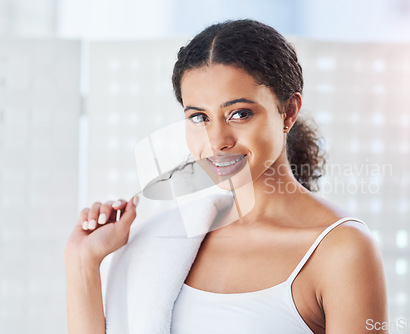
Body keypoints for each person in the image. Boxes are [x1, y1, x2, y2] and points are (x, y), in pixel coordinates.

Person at [65, 19, 387, 333]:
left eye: (239, 113)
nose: (217, 140)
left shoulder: (341, 250)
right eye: (199, 117)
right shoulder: (167, 242)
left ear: (288, 111)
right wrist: (83, 262)